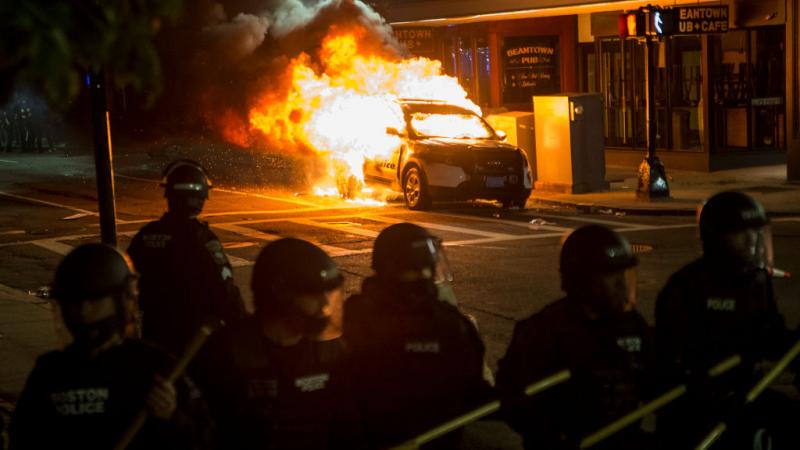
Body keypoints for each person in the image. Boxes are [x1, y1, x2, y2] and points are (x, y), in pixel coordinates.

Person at [9, 243, 213, 449]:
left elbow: (205, 439)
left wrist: (171, 416)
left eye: (94, 302)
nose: (83, 312)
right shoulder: (49, 373)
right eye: (76, 303)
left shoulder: (154, 369)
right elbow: (22, 439)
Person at [655, 190, 797, 448]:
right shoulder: (687, 286)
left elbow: (770, 334)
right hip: (696, 403)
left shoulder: (756, 281)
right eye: (742, 233)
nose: (752, 241)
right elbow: (668, 358)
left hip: (743, 391)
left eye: (757, 232)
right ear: (716, 237)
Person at [192, 238, 363, 450]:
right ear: (281, 295)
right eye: (314, 296)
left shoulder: (330, 350)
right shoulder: (227, 354)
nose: (324, 307)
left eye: (327, 297)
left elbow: (347, 426)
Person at [496, 225, 653, 450]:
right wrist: (553, 434)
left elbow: (655, 379)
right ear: (584, 279)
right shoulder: (544, 331)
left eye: (626, 276)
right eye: (612, 278)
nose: (622, 287)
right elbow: (514, 399)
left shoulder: (632, 325)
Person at [343, 222, 492, 448]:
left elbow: (472, 390)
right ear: (389, 271)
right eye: (414, 271)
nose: (423, 278)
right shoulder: (355, 321)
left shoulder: (451, 324)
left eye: (427, 270)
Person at [127, 159, 244, 355]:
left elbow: (128, 281)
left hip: (155, 334)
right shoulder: (202, 239)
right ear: (201, 196)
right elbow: (225, 287)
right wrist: (243, 324)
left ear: (169, 194)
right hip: (195, 342)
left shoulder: (147, 235)